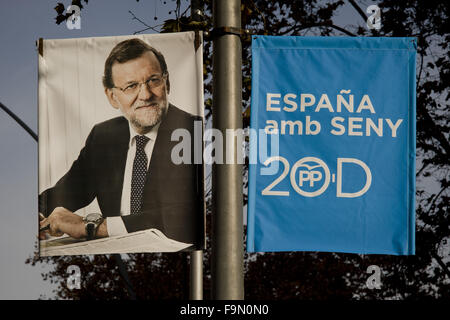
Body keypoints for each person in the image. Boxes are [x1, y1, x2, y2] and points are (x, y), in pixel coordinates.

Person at [39, 38, 204, 247]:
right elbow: (69, 190)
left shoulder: (192, 131)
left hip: (175, 263)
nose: (145, 95)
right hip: (114, 264)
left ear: (167, 82)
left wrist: (91, 227)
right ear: (112, 97)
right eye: (131, 86)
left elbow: (182, 217)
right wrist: (36, 214)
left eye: (153, 80)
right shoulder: (103, 136)